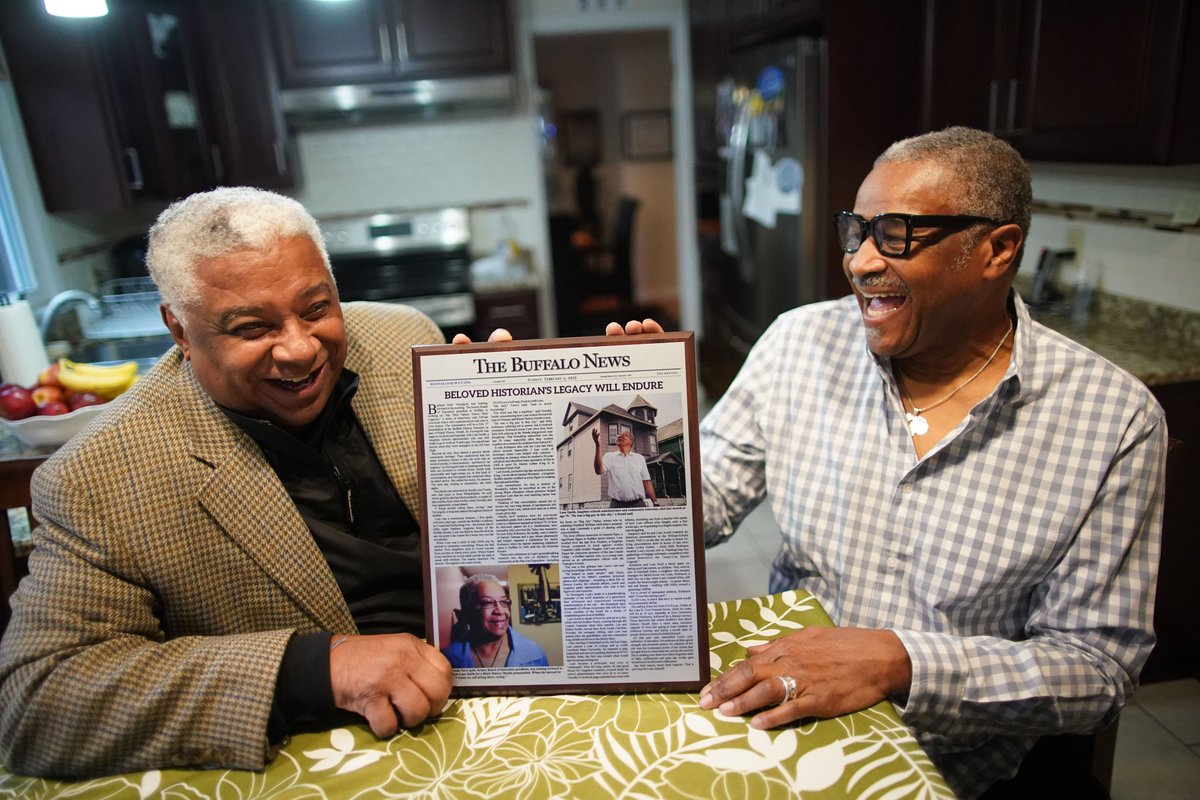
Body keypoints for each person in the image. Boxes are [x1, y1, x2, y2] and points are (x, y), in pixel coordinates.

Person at [612, 127, 1166, 798]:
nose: (862, 262)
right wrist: (640, 422)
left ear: (997, 250)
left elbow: (1096, 669)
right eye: (857, 231)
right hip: (782, 729)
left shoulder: (1113, 421)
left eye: (898, 234)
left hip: (960, 767)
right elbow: (707, 503)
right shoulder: (799, 344)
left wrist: (900, 663)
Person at [0, 187, 459, 778]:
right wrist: (314, 668)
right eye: (251, 327)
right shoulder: (96, 476)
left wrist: (593, 395)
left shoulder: (403, 339)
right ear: (180, 330)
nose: (300, 349)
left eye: (317, 308)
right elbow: (37, 701)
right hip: (330, 754)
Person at [440, 574, 549, 668]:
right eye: (487, 603)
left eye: (503, 602)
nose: (500, 611)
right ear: (468, 612)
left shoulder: (535, 654)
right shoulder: (447, 659)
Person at [592, 428, 658, 508]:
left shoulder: (640, 458)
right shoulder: (609, 456)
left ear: (631, 442)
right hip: (616, 505)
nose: (620, 435)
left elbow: (647, 483)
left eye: (625, 435)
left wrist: (655, 502)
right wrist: (597, 445)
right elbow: (599, 471)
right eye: (619, 435)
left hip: (638, 504)